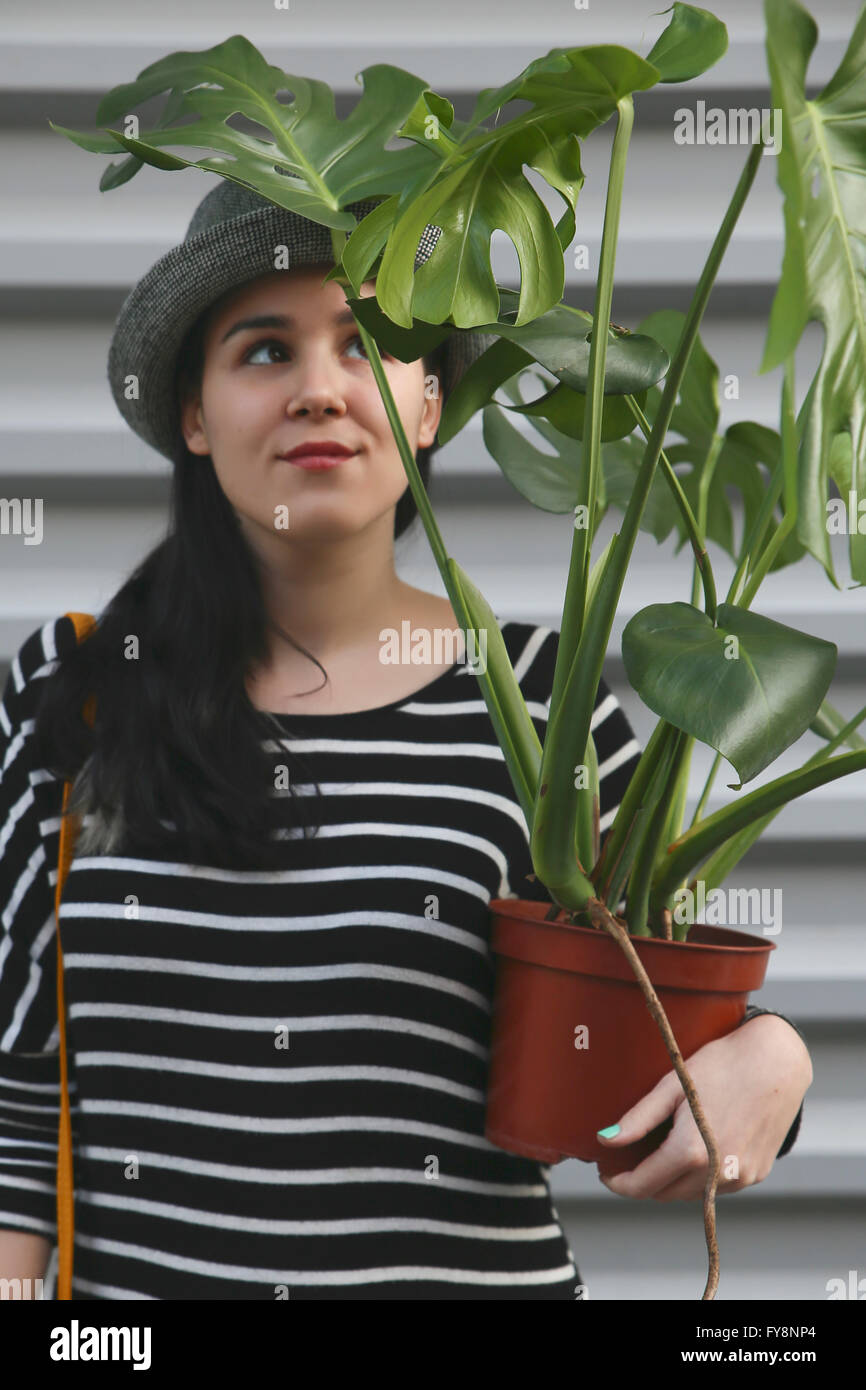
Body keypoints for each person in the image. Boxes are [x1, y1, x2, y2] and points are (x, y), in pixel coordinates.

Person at [0, 184, 811, 1300]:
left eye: (368, 344)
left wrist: (776, 1055)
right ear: (194, 412)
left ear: (429, 404)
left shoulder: (540, 701)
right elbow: (16, 1098)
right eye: (264, 350)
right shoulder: (74, 689)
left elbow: (663, 1016)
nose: (321, 389)